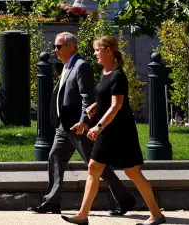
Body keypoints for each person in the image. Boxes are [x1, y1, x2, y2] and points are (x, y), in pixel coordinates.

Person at [62, 35, 165, 225]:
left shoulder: (118, 75)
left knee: (132, 172)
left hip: (119, 132)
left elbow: (117, 105)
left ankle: (157, 214)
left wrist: (98, 126)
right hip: (109, 131)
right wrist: (94, 106)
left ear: (108, 51)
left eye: (97, 50)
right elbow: (107, 99)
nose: (94, 54)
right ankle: (83, 215)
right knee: (94, 168)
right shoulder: (105, 73)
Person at [29, 32, 134, 215]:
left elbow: (87, 97)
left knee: (96, 165)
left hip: (78, 126)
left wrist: (84, 122)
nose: (55, 50)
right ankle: (52, 201)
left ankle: (124, 199)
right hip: (64, 126)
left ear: (71, 47)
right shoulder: (66, 66)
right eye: (54, 46)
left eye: (59, 46)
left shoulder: (81, 66)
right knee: (55, 157)